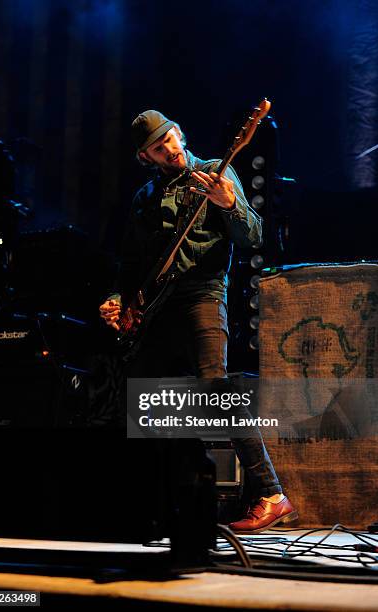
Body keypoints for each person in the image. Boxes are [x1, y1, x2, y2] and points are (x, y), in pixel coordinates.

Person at [99, 109, 298, 533]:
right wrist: (118, 298)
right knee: (153, 401)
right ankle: (177, 501)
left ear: (179, 132)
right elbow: (132, 263)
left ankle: (271, 494)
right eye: (158, 147)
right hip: (157, 306)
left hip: (203, 294)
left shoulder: (215, 173)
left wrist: (229, 205)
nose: (169, 149)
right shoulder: (144, 198)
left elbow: (255, 238)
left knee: (214, 387)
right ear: (146, 156)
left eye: (170, 138)